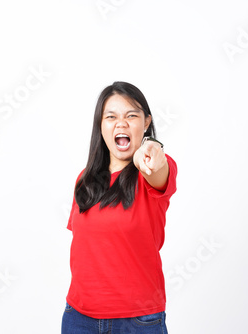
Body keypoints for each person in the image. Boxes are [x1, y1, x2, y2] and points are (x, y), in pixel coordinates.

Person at [62, 81, 177, 333]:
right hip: (78, 318)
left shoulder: (152, 171)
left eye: (131, 115)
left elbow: (157, 167)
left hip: (137, 321)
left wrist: (147, 152)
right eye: (111, 116)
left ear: (146, 122)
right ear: (101, 125)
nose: (121, 123)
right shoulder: (85, 179)